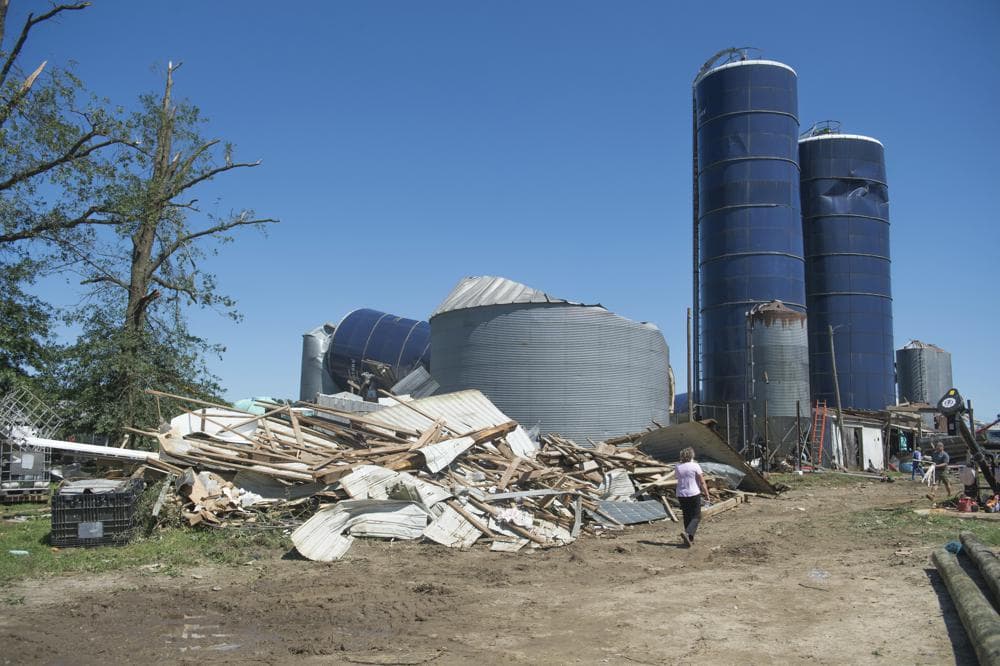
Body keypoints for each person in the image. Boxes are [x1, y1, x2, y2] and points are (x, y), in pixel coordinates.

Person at [676, 446, 712, 547]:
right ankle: (688, 533)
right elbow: (702, 481)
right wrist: (706, 494)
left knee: (687, 516)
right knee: (696, 516)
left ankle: (689, 539)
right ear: (691, 455)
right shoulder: (695, 466)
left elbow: (677, 478)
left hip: (681, 494)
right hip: (693, 493)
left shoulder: (678, 466)